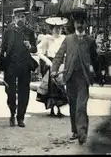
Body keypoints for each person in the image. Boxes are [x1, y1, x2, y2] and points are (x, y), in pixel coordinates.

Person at [51, 9, 101, 145]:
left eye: (82, 23)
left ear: (85, 24)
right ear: (74, 24)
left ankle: (82, 132)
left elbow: (95, 59)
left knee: (81, 106)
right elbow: (59, 56)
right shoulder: (68, 40)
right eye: (78, 23)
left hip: (84, 78)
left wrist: (99, 75)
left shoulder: (90, 41)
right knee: (73, 106)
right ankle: (75, 130)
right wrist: (54, 70)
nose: (80, 25)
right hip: (70, 77)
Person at [0, 10, 37, 128]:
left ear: (25, 18)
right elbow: (3, 50)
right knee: (11, 92)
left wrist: (30, 46)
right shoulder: (8, 32)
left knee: (24, 92)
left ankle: (21, 118)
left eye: (23, 17)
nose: (21, 19)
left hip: (25, 66)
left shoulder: (29, 32)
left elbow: (35, 49)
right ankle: (12, 112)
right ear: (14, 18)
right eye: (18, 16)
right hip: (10, 66)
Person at [37, 16, 68, 117]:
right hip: (51, 64)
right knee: (51, 87)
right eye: (56, 28)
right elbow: (40, 52)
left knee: (61, 87)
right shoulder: (47, 38)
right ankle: (51, 109)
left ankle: (59, 109)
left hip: (62, 65)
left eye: (60, 28)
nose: (58, 30)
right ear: (51, 29)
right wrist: (47, 61)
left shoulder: (64, 38)